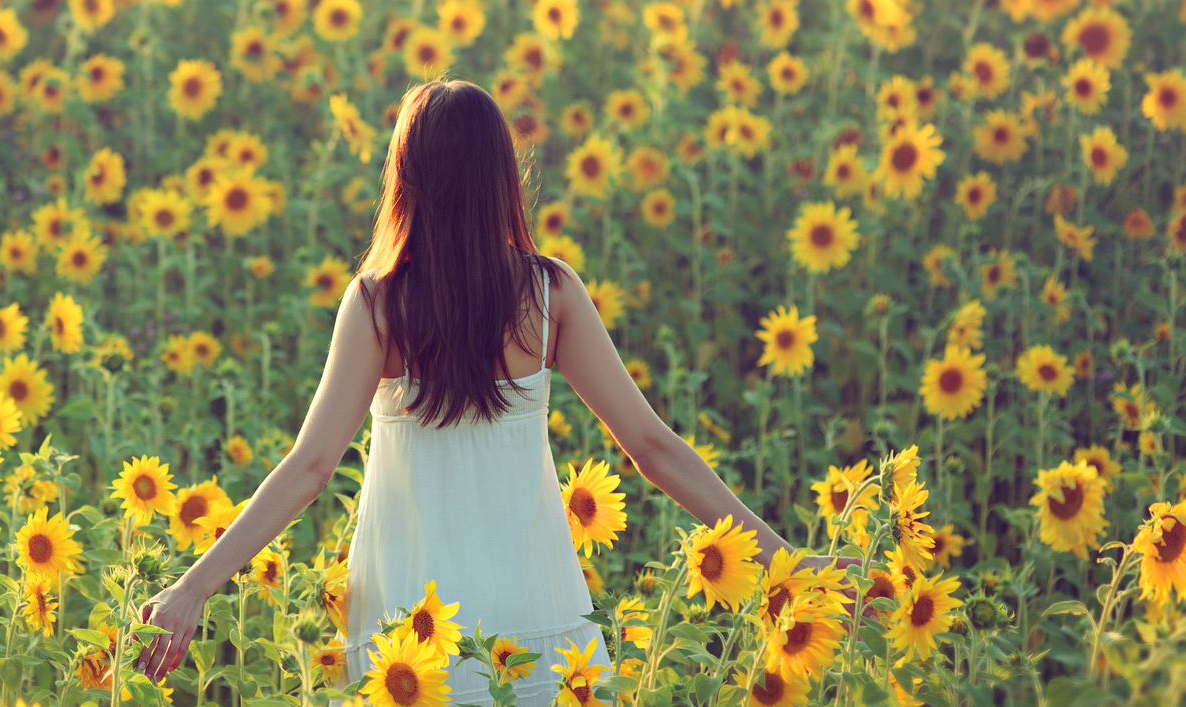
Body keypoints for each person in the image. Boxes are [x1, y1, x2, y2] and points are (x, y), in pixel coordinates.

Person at [132, 80, 842, 701]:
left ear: (404, 179)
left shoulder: (377, 303)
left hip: (409, 621)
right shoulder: (549, 292)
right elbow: (652, 447)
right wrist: (786, 556)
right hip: (533, 605)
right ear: (502, 176)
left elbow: (312, 466)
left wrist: (194, 583)